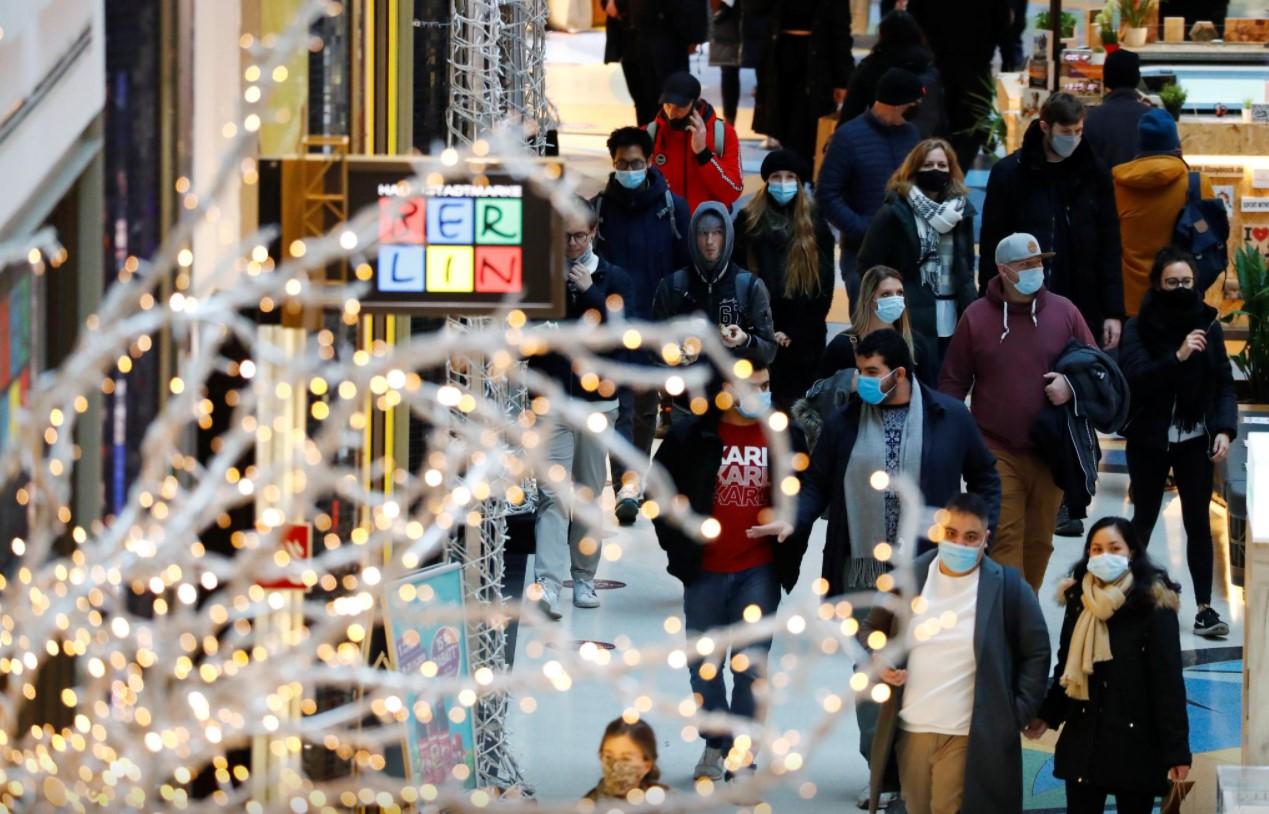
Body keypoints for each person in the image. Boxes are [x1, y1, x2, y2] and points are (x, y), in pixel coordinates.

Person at [749, 330, 1001, 809]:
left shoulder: (951, 418)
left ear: (898, 373)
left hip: (931, 571)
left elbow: (986, 476)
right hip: (861, 573)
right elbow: (816, 485)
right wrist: (791, 519)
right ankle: (880, 773)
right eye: (859, 370)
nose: (860, 381)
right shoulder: (844, 421)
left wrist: (981, 530)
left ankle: (915, 772)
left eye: (870, 373)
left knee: (924, 678)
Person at [651, 362, 809, 782]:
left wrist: (788, 536)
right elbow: (658, 488)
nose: (760, 392)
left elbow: (806, 492)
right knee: (702, 667)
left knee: (750, 666)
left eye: (766, 385)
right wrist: (679, 547)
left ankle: (741, 748)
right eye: (750, 385)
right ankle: (714, 739)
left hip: (759, 568)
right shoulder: (692, 434)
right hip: (705, 570)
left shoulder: (786, 434)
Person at [865, 492, 1051, 814]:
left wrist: (1014, 713)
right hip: (913, 728)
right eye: (951, 534)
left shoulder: (1008, 587)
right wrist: (880, 660)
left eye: (971, 537)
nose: (960, 544)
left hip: (968, 734)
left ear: (985, 539)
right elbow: (870, 629)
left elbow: (1037, 651)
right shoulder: (909, 578)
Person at [939, 233, 1098, 592]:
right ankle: (1012, 624)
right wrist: (951, 442)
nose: (1036, 270)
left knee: (1039, 544)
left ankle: (1021, 616)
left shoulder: (1065, 312)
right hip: (995, 449)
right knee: (1005, 541)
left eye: (1039, 263)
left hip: (1051, 452)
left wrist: (1070, 387)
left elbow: (1096, 370)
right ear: (1004, 271)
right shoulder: (976, 318)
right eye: (1026, 265)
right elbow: (953, 381)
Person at [1026, 517, 1191, 814]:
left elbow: (1167, 685)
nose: (1104, 556)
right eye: (1096, 549)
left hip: (1136, 745)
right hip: (1085, 740)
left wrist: (1176, 752)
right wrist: (1046, 716)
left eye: (1114, 548)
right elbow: (1067, 667)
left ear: (1132, 553)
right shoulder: (1079, 600)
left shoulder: (1154, 605)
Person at [1118, 247, 1236, 638]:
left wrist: (1223, 428)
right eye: (1173, 283)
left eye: (1187, 282)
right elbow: (1138, 378)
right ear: (1157, 284)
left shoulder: (1210, 325)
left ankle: (1204, 608)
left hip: (1194, 439)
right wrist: (1180, 355)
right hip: (1149, 438)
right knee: (1145, 517)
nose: (1181, 289)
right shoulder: (1138, 327)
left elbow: (1222, 383)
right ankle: (1125, 595)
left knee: (1197, 522)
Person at [530, 201, 636, 619]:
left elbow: (620, 338)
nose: (573, 244)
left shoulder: (616, 279)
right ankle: (549, 584)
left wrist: (591, 292)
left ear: (593, 233)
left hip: (598, 403)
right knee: (552, 496)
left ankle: (585, 578)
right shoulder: (541, 278)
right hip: (551, 401)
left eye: (580, 235)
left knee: (590, 494)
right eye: (566, 236)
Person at [593, 126, 691, 524]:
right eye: (621, 164)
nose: (629, 170)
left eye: (635, 163)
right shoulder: (600, 208)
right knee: (621, 410)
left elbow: (683, 266)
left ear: (649, 162)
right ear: (613, 165)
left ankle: (635, 479)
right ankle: (625, 489)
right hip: (615, 326)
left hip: (655, 325)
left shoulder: (671, 207)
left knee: (646, 412)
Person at [979, 93, 1125, 353]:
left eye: (1078, 130)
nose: (1073, 138)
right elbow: (993, 245)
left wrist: (1113, 310)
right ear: (1045, 127)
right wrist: (989, 305)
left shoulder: (1094, 172)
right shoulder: (1011, 173)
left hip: (1083, 303)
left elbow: (1110, 244)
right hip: (1024, 301)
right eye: (1066, 131)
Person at [858, 138, 976, 364]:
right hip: (910, 315)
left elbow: (967, 265)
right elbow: (868, 264)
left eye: (942, 165)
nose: (936, 170)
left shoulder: (961, 212)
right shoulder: (894, 212)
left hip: (954, 313)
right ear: (914, 169)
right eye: (928, 165)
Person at [732, 150, 835, 409]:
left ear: (799, 183)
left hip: (802, 338)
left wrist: (793, 332)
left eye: (790, 177)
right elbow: (738, 278)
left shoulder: (815, 225)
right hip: (757, 335)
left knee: (796, 412)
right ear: (767, 182)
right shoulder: (747, 223)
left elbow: (823, 289)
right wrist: (765, 330)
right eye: (777, 177)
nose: (783, 182)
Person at [817, 68, 922, 302]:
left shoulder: (912, 135)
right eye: (912, 103)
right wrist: (865, 229)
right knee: (868, 328)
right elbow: (826, 194)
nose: (915, 109)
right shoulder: (848, 137)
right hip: (861, 254)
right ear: (898, 103)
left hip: (907, 252)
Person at [653, 201, 778, 370]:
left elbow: (769, 351)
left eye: (717, 232)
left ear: (727, 236)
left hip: (736, 391)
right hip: (687, 389)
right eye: (703, 233)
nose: (709, 241)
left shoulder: (749, 286)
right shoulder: (672, 286)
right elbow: (652, 349)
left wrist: (745, 340)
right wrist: (674, 352)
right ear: (693, 236)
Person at [1114, 108, 1214, 316]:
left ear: (1140, 145)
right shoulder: (1196, 184)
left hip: (1131, 301)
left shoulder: (1118, 184)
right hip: (1182, 297)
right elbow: (1210, 239)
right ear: (1176, 145)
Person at [905, 0, 1012, 171]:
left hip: (939, 61)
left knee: (941, 122)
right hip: (976, 62)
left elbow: (913, 15)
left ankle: (943, 172)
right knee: (973, 126)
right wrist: (1008, 62)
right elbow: (1003, 25)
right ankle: (955, 174)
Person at [750, 0, 854, 166]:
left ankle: (799, 174)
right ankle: (794, 174)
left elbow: (841, 33)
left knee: (804, 125)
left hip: (817, 61)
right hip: (779, 57)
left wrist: (842, 80)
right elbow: (755, 10)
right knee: (782, 121)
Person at [817, 267, 940, 387]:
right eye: (886, 294)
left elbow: (930, 396)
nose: (895, 299)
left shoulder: (916, 343)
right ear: (869, 299)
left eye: (899, 293)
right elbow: (819, 393)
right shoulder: (843, 345)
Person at [839, 10, 946, 140]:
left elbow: (851, 112)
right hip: (923, 147)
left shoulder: (870, 66)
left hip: (881, 142)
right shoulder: (928, 67)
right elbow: (941, 117)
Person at [647, 71, 744, 214]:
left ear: (695, 104)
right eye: (667, 105)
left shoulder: (723, 134)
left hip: (705, 227)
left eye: (680, 107)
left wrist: (703, 154)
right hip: (664, 225)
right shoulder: (649, 134)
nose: (671, 114)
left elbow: (732, 192)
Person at [1083, 50, 1151, 171]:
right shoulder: (1156, 119)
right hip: (1148, 189)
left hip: (1106, 189)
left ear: (1106, 77)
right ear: (1137, 77)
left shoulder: (1090, 120)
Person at [582, 717, 670, 802]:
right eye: (608, 757)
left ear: (647, 765)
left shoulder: (667, 804)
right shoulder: (589, 806)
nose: (615, 766)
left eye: (625, 759)